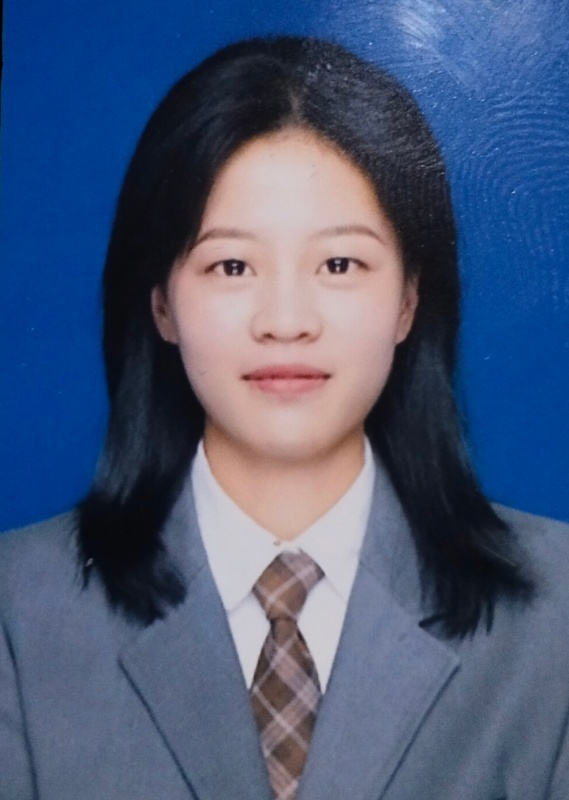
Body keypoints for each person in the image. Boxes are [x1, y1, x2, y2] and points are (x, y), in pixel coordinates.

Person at [1, 35, 568, 800]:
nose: (286, 321)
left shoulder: (558, 611)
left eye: (339, 264)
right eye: (231, 266)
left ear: (408, 299)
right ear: (161, 302)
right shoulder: (15, 611)